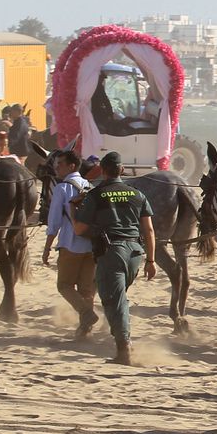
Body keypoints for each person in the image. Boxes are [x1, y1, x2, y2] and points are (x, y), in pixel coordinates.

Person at [72, 151, 157, 365]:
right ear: (122, 170)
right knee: (119, 298)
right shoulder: (137, 194)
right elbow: (149, 230)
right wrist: (151, 261)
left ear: (102, 170)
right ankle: (125, 342)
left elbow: (79, 229)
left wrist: (73, 209)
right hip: (135, 253)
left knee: (114, 301)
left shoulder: (96, 195)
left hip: (111, 253)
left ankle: (124, 350)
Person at [41, 149, 98, 339]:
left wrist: (47, 247)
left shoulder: (62, 188)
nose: (57, 168)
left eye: (60, 164)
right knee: (86, 289)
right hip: (91, 244)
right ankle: (85, 329)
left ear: (71, 166)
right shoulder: (90, 186)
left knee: (64, 285)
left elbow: (54, 222)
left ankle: (86, 313)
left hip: (70, 244)